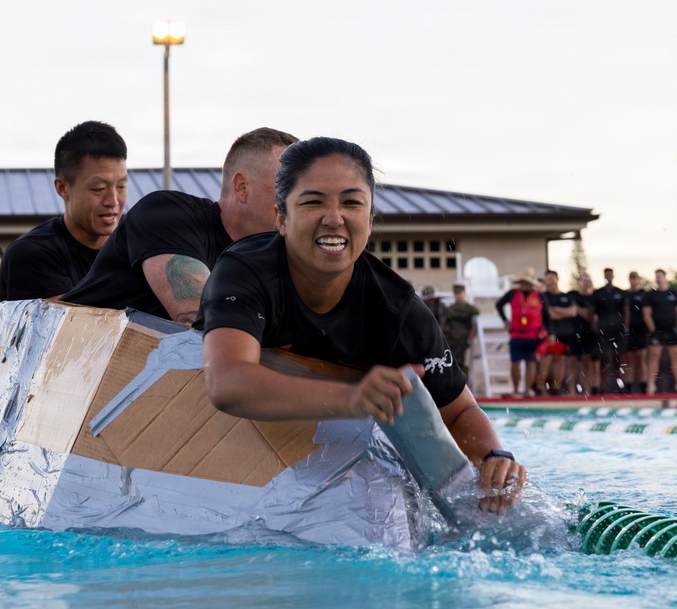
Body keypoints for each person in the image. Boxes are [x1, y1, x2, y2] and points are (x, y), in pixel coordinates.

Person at [196, 136, 526, 514]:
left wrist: (495, 457)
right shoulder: (244, 271)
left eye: (352, 203)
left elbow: (459, 411)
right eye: (313, 201)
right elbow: (226, 383)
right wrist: (352, 398)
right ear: (281, 218)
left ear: (369, 221)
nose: (334, 218)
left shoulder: (397, 309)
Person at [61, 127, 299, 325]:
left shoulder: (276, 258)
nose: (301, 202)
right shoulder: (166, 213)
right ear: (242, 187)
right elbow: (204, 322)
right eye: (288, 188)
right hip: (63, 358)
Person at [0, 121, 129, 301]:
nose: (113, 201)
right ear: (62, 188)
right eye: (98, 188)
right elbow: (68, 318)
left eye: (121, 186)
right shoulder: (31, 255)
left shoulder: (137, 246)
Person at [495, 267, 548, 398]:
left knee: (531, 362)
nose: (525, 285)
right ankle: (515, 390)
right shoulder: (512, 293)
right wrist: (505, 320)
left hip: (534, 334)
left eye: (528, 283)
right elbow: (499, 305)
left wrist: (548, 332)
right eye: (523, 282)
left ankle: (527, 389)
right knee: (515, 362)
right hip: (516, 334)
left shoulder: (539, 296)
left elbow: (547, 315)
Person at [643, 269, 677, 395]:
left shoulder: (674, 293)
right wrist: (653, 330)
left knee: (675, 357)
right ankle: (651, 384)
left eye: (660, 276)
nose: (658, 278)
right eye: (656, 276)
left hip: (671, 329)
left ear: (665, 277)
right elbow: (647, 314)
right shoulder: (651, 295)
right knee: (654, 357)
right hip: (657, 330)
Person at [537, 270, 576, 396]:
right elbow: (548, 315)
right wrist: (563, 312)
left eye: (552, 278)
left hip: (565, 333)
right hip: (549, 333)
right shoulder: (544, 297)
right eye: (548, 278)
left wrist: (555, 310)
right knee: (546, 361)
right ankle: (539, 387)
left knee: (561, 361)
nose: (550, 281)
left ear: (557, 279)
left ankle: (556, 387)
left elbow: (573, 312)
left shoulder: (566, 296)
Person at [592, 267, 627, 393]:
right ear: (604, 276)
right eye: (606, 275)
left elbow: (626, 311)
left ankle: (620, 384)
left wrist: (625, 326)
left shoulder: (620, 292)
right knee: (604, 358)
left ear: (613, 276)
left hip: (617, 329)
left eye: (610, 275)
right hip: (604, 329)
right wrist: (595, 327)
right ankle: (602, 386)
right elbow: (592, 312)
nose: (608, 277)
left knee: (619, 357)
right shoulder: (598, 293)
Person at [569, 273, 600, 395]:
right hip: (573, 333)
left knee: (586, 363)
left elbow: (589, 316)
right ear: (579, 282)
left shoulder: (593, 298)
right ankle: (571, 391)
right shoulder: (572, 295)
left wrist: (577, 309)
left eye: (588, 281)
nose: (586, 283)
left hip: (588, 333)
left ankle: (587, 390)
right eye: (584, 281)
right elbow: (569, 312)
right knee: (572, 363)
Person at [441, 284, 479, 382]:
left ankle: (463, 383)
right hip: (451, 341)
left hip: (464, 342)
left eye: (460, 293)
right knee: (450, 362)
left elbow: (474, 326)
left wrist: (469, 339)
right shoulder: (449, 309)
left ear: (464, 293)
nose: (458, 296)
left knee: (463, 363)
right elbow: (444, 324)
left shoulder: (471, 309)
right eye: (456, 293)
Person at [623, 271, 650, 393]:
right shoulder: (625, 294)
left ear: (639, 280)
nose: (633, 281)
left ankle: (643, 385)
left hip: (641, 329)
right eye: (631, 278)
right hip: (629, 330)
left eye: (635, 278)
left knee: (641, 358)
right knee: (628, 359)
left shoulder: (644, 294)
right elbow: (625, 312)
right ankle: (628, 386)